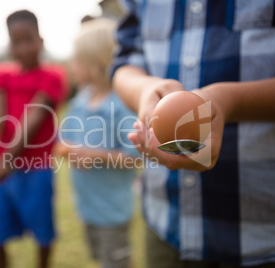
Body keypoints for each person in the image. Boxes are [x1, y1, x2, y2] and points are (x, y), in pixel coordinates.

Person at [111, 1, 275, 267]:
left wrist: (228, 100)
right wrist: (144, 90)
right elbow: (125, 63)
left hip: (261, 233)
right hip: (166, 224)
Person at [0, 10, 67, 268]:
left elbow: (34, 118)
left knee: (42, 235)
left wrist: (5, 160)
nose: (22, 47)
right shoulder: (1, 74)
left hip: (36, 169)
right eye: (15, 41)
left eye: (27, 39)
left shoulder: (53, 76)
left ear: (40, 40)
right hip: (1, 171)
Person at [55, 18, 138, 268]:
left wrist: (92, 154)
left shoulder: (122, 105)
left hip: (113, 211)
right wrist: (68, 150)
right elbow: (63, 141)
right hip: (87, 208)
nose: (71, 66)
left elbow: (135, 157)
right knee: (100, 258)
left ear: (95, 62)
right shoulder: (79, 101)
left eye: (76, 59)